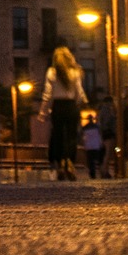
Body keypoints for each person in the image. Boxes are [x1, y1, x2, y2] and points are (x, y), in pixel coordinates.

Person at [40, 44, 88, 181]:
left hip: (58, 106)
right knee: (72, 135)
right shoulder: (75, 71)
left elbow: (47, 94)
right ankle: (69, 162)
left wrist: (43, 111)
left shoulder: (52, 72)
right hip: (71, 105)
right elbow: (79, 91)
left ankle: (59, 163)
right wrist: (81, 103)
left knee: (58, 134)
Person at [81, 113, 105, 179]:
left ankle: (92, 173)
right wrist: (101, 143)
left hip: (89, 146)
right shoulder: (97, 127)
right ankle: (100, 173)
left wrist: (84, 144)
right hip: (96, 145)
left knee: (90, 161)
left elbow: (83, 137)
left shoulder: (85, 127)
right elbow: (99, 135)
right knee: (98, 160)